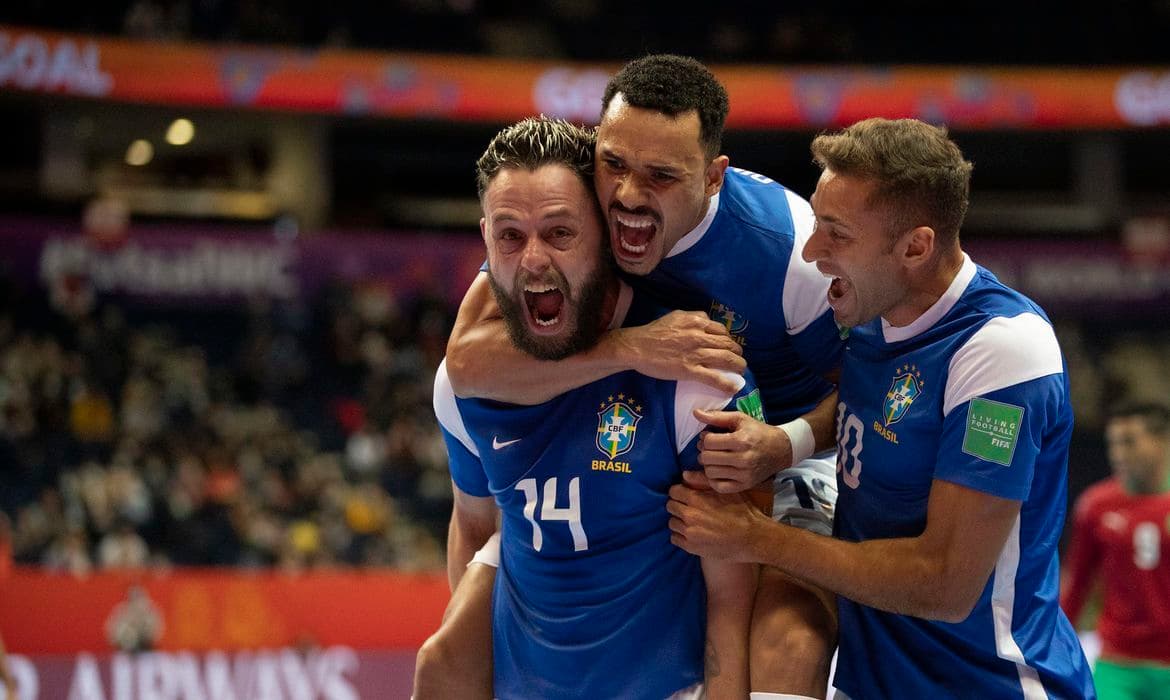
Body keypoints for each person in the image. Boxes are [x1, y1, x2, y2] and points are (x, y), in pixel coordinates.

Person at [434, 54, 844, 700]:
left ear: (712, 178)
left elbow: (870, 391)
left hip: (791, 449)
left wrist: (785, 441)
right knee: (445, 656)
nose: (627, 195)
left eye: (659, 176)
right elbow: (466, 364)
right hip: (654, 435)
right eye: (616, 164)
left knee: (786, 644)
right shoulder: (569, 214)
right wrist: (632, 348)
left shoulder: (787, 248)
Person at [666, 117, 1097, 699]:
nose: (813, 252)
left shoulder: (1002, 351)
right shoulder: (872, 316)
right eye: (817, 223)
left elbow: (945, 584)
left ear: (915, 247)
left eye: (837, 234)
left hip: (989, 685)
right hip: (876, 682)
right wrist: (786, 441)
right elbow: (867, 405)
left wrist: (756, 538)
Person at [420, 115, 757, 699]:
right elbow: (474, 527)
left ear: (602, 233)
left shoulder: (694, 371)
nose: (531, 260)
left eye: (559, 233)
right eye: (509, 235)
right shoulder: (462, 385)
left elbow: (731, 594)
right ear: (484, 240)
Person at [1062, 401, 1170, 699]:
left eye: (1129, 442)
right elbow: (1077, 584)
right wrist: (1055, 647)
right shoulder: (1096, 506)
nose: (1118, 453)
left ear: (1161, 441)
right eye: (1113, 443)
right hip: (1118, 662)